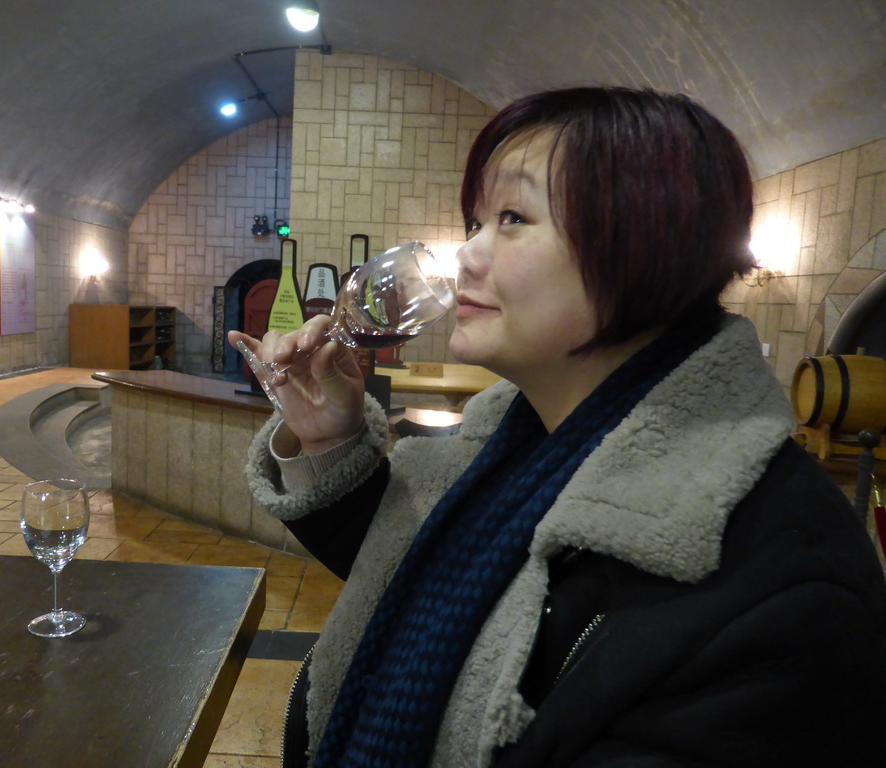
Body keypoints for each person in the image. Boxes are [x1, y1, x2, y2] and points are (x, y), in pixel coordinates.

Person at [229, 86, 886, 767]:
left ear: (644, 240)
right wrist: (330, 440)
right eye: (475, 221)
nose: (467, 257)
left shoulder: (784, 589)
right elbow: (429, 584)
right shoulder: (520, 443)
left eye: (511, 217)